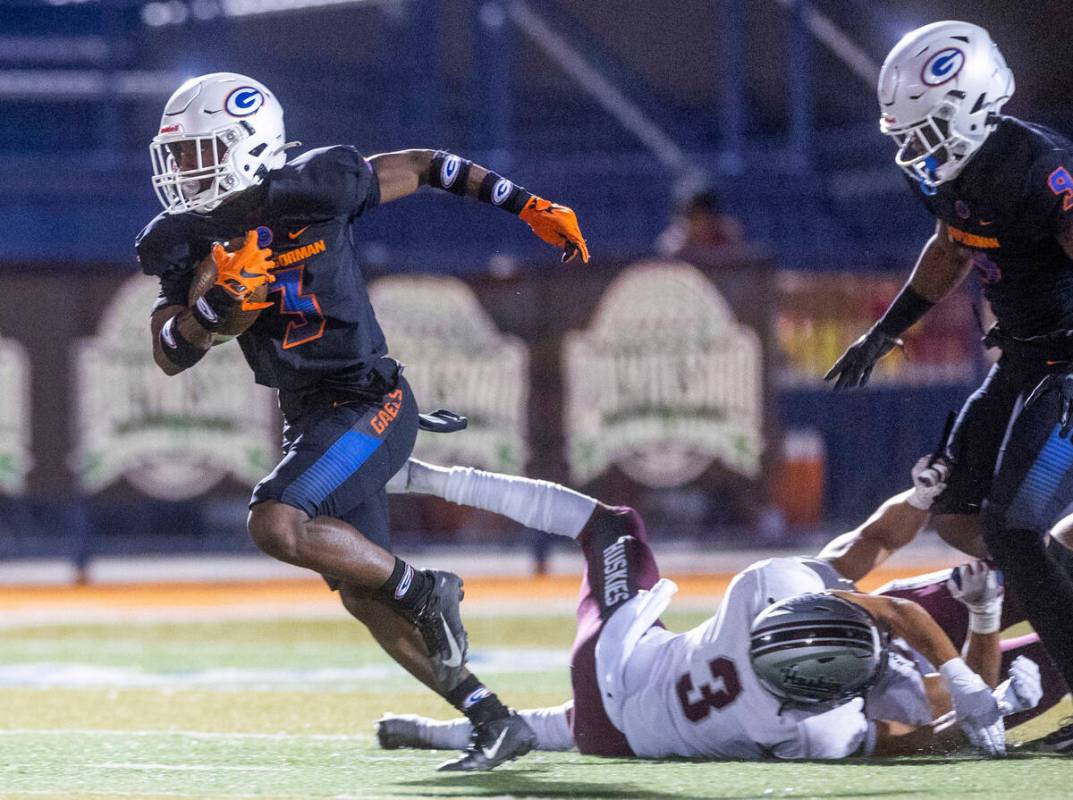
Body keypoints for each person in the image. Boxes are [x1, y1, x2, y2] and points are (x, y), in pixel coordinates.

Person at [137, 72, 589, 771]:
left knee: (275, 523)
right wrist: (210, 311)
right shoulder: (184, 239)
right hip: (309, 415)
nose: (186, 171)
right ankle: (493, 719)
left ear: (248, 143)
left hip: (369, 398)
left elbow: (425, 165)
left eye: (200, 152)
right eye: (180, 155)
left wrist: (524, 204)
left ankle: (424, 586)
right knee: (359, 592)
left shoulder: (315, 184)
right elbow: (171, 353)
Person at [375, 457, 1047, 759]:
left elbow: (867, 558)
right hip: (616, 727)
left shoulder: (766, 594)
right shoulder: (815, 731)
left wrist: (918, 500)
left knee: (609, 527)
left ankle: (423, 475)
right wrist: (981, 649)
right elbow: (945, 728)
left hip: (621, 689)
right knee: (1033, 664)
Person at [823, 20, 1073, 749]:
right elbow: (949, 248)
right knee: (959, 515)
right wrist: (887, 329)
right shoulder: (940, 174)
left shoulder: (1040, 169)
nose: (916, 150)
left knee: (1014, 527)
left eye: (930, 129)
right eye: (907, 133)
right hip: (1023, 357)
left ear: (976, 103)